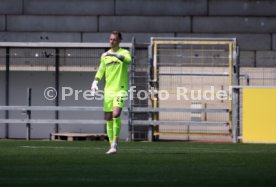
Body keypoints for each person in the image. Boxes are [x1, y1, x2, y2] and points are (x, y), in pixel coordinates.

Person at [91, 31, 132, 154]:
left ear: (119, 40)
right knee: (108, 117)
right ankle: (112, 146)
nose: (112, 41)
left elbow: (129, 60)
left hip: (121, 88)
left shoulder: (124, 52)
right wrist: (95, 82)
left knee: (116, 114)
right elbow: (101, 70)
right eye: (110, 39)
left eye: (114, 39)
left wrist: (117, 56)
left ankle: (115, 142)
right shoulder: (105, 56)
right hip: (108, 91)